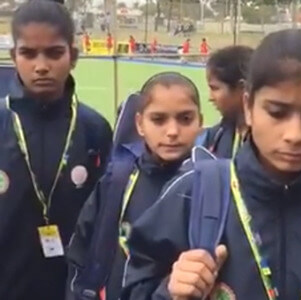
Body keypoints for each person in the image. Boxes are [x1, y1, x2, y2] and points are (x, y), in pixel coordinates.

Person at [121, 29, 301, 300]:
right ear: (248, 107)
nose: (295, 135)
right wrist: (169, 290)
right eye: (277, 113)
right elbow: (134, 287)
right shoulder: (191, 196)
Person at [0, 1, 113, 299]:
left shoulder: (95, 129)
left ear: (72, 56)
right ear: (14, 57)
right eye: (28, 53)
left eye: (54, 53)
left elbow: (106, 218)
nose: (41, 66)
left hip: (71, 287)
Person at [67, 72, 203, 300]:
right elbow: (81, 250)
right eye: (158, 120)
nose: (172, 132)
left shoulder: (213, 187)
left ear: (200, 122)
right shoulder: (117, 181)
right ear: (140, 124)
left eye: (185, 119)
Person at [200, 45, 253, 158]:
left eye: (215, 88)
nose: (210, 97)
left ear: (242, 88)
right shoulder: (215, 135)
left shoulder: (267, 141)